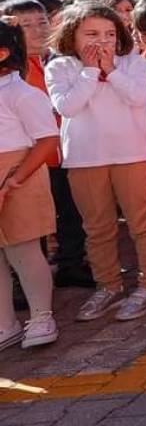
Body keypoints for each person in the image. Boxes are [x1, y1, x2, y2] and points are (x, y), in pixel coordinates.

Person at [46, 1, 146, 323]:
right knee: (97, 228)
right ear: (71, 35)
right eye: (92, 33)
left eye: (110, 33)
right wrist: (89, 72)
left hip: (132, 153)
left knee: (142, 223)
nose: (102, 41)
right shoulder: (59, 68)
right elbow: (67, 107)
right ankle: (108, 285)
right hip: (85, 158)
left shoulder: (132, 62)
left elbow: (139, 97)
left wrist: (111, 71)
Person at [0, 21, 61, 350]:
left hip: (18, 174)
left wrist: (15, 179)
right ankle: (4, 322)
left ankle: (42, 315)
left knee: (23, 250)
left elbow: (48, 139)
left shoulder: (21, 93)